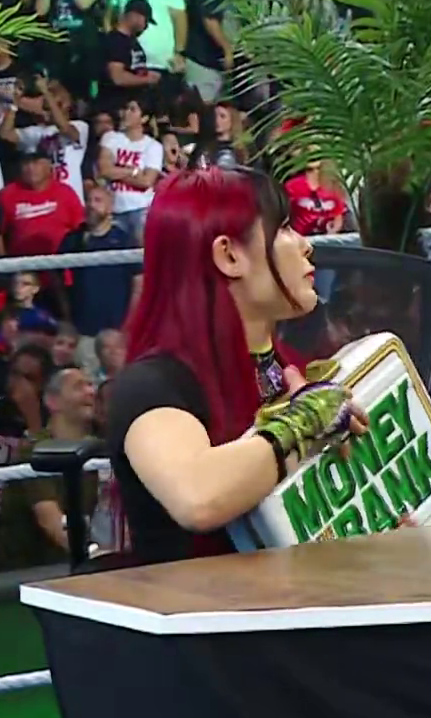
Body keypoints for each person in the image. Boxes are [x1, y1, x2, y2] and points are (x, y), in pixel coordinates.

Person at [104, 167, 361, 564]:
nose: (305, 245)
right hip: (200, 601)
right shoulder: (154, 385)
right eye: (284, 228)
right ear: (229, 255)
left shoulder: (291, 368)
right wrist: (303, 423)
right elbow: (197, 496)